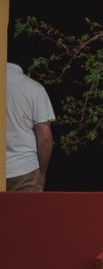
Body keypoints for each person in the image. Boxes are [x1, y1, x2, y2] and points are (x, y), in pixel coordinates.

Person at [5, 61, 55, 193]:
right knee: (26, 214)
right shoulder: (34, 89)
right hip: (24, 170)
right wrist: (42, 173)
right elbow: (45, 138)